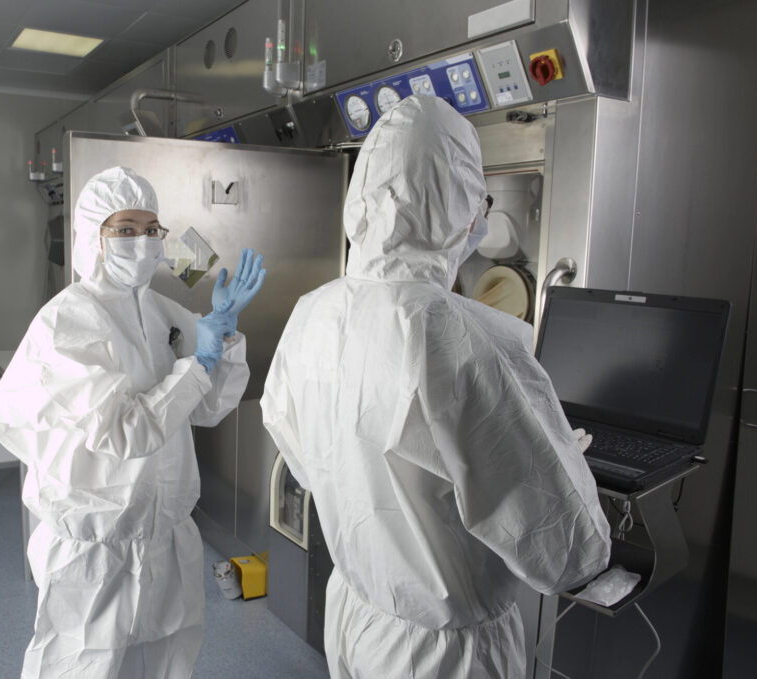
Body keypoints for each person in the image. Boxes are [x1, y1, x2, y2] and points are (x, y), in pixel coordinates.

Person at [261, 96, 610, 678]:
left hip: (355, 613)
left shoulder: (314, 312)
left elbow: (307, 457)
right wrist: (560, 459)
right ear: (459, 205)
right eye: (479, 198)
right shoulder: (466, 338)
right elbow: (566, 552)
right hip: (443, 655)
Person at [0, 166, 265, 679]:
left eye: (150, 229)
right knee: (85, 664)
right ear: (94, 235)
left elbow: (208, 408)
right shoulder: (67, 322)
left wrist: (222, 337)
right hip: (95, 547)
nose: (142, 242)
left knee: (164, 658)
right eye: (125, 229)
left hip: (165, 533)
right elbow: (125, 431)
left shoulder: (161, 312)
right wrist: (198, 365)